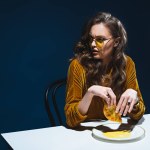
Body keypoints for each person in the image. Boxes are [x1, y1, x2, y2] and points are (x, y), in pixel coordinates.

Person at [64, 12, 145, 128]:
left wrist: (135, 98)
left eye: (100, 40)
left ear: (116, 42)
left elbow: (138, 115)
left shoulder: (127, 64)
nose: (92, 44)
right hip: (85, 133)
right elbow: (70, 119)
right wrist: (90, 92)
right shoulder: (78, 65)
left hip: (115, 130)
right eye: (91, 39)